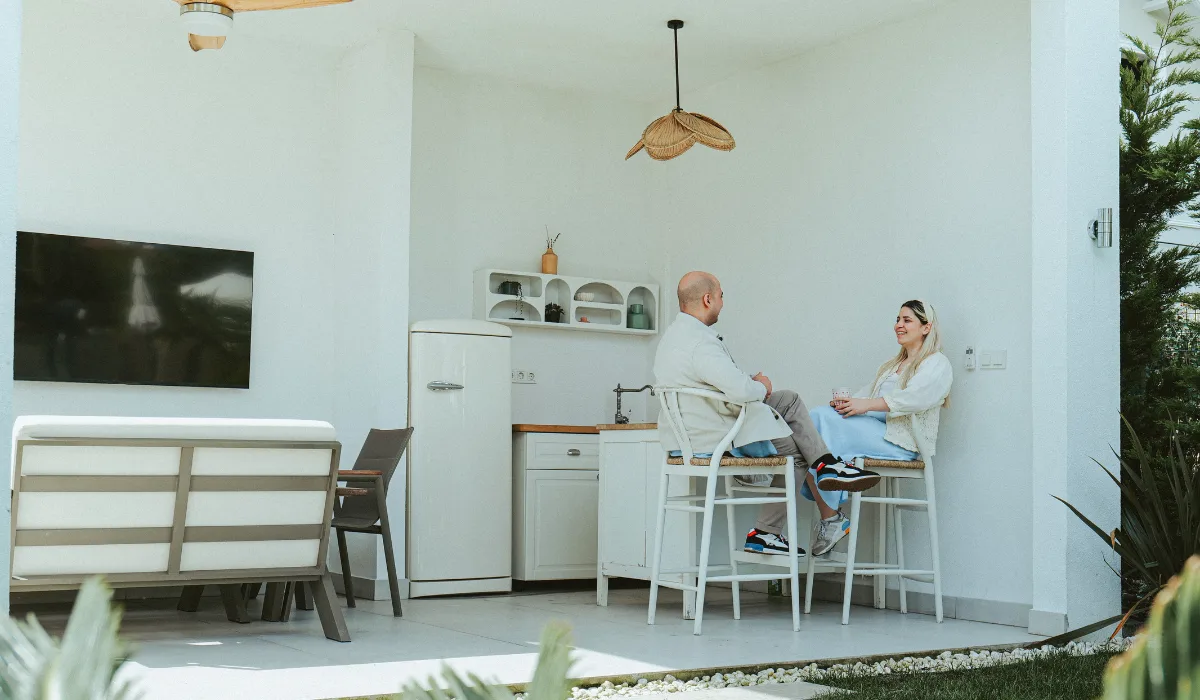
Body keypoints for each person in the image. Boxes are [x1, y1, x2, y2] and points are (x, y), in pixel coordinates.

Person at [653, 271, 882, 556]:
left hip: (697, 430)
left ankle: (826, 465)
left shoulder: (674, 337)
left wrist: (752, 385)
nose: (723, 303)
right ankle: (767, 531)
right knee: (795, 450)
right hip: (718, 435)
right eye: (722, 296)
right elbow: (740, 391)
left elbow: (717, 383)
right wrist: (759, 385)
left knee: (788, 399)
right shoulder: (701, 343)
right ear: (707, 298)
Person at [803, 299, 953, 557]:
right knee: (815, 421)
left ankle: (831, 518)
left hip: (902, 442)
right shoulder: (890, 366)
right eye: (897, 320)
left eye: (907, 320)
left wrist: (865, 405)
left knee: (815, 424)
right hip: (877, 432)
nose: (899, 325)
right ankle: (830, 516)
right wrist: (847, 405)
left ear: (926, 327)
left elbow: (915, 399)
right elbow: (867, 396)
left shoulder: (936, 363)